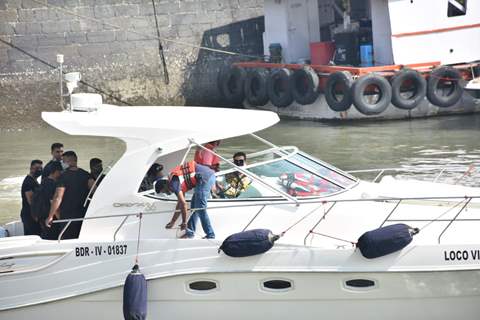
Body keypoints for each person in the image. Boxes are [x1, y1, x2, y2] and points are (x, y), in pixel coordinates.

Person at [158, 160, 216, 239]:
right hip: (202, 179)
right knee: (194, 207)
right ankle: (190, 233)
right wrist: (173, 221)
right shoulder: (174, 182)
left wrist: (184, 222)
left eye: (164, 191)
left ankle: (210, 235)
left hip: (205, 177)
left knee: (200, 207)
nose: (167, 193)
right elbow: (180, 204)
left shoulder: (173, 183)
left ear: (165, 184)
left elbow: (183, 204)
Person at [45, 151, 90, 239]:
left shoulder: (63, 177)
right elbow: (94, 191)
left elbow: (58, 197)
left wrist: (50, 216)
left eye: (63, 161)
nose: (62, 163)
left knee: (67, 240)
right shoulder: (86, 175)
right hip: (84, 216)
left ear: (69, 161)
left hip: (68, 217)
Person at [31, 161, 63, 240]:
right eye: (60, 172)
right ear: (56, 172)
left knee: (47, 235)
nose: (61, 174)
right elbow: (53, 202)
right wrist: (60, 219)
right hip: (49, 217)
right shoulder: (51, 184)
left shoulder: (44, 181)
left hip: (42, 215)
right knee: (52, 237)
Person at [20, 159, 43, 235]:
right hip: (29, 215)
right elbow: (31, 201)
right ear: (31, 169)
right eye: (37, 168)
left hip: (31, 214)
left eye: (40, 168)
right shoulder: (28, 182)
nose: (39, 170)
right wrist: (36, 216)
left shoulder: (34, 180)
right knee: (34, 236)